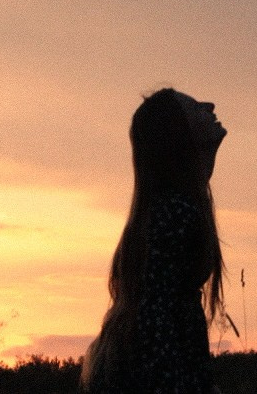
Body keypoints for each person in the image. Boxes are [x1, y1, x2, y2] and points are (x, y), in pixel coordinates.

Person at [80, 88, 227, 394]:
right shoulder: (177, 213)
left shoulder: (169, 209)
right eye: (194, 107)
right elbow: (158, 328)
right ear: (178, 135)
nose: (209, 105)